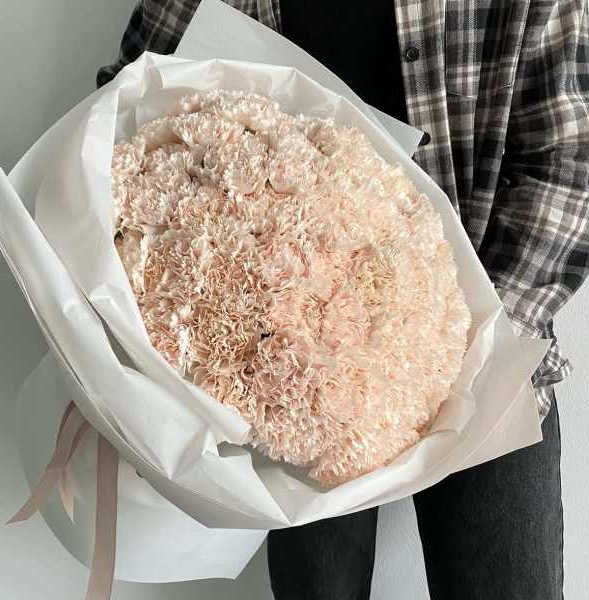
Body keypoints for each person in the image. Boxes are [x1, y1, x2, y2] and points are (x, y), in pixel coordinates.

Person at [98, 2, 589, 598]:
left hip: (493, 365)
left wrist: (460, 348)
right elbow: (126, 103)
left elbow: (568, 163)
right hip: (290, 385)